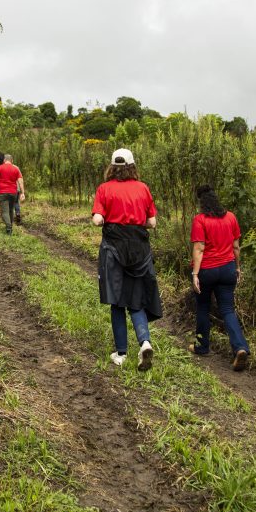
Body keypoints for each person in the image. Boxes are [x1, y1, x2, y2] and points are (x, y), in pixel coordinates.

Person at [92, 148, 162, 371]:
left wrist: (103, 217)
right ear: (132, 166)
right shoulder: (143, 188)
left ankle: (121, 353)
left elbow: (97, 220)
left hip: (114, 248)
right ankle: (145, 342)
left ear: (112, 167)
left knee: (117, 300)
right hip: (139, 250)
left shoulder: (104, 189)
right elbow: (152, 222)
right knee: (137, 299)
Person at [188, 184, 250, 371]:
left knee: (203, 307)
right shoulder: (230, 217)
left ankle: (202, 346)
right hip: (227, 269)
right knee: (227, 310)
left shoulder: (200, 220)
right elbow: (236, 247)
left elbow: (199, 249)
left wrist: (195, 274)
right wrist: (237, 268)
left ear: (201, 203)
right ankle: (240, 348)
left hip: (207, 270)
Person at [0, 154, 25, 235]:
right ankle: (10, 226)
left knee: (4, 211)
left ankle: (9, 227)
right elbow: (20, 181)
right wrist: (22, 192)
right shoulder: (15, 168)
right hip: (13, 193)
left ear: (4, 160)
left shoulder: (0, 168)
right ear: (12, 160)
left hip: (2, 192)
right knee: (11, 210)